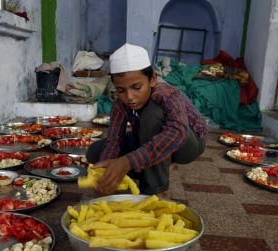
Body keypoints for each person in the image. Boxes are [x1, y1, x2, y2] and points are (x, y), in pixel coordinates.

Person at [87, 43, 207, 195]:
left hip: (188, 145)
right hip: (152, 137)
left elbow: (178, 132)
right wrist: (105, 172)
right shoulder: (120, 103)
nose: (129, 97)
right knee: (96, 152)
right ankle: (141, 172)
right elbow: (114, 139)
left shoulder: (167, 94)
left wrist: (128, 161)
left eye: (137, 88)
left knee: (152, 114)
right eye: (121, 90)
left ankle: (153, 190)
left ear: (152, 80)